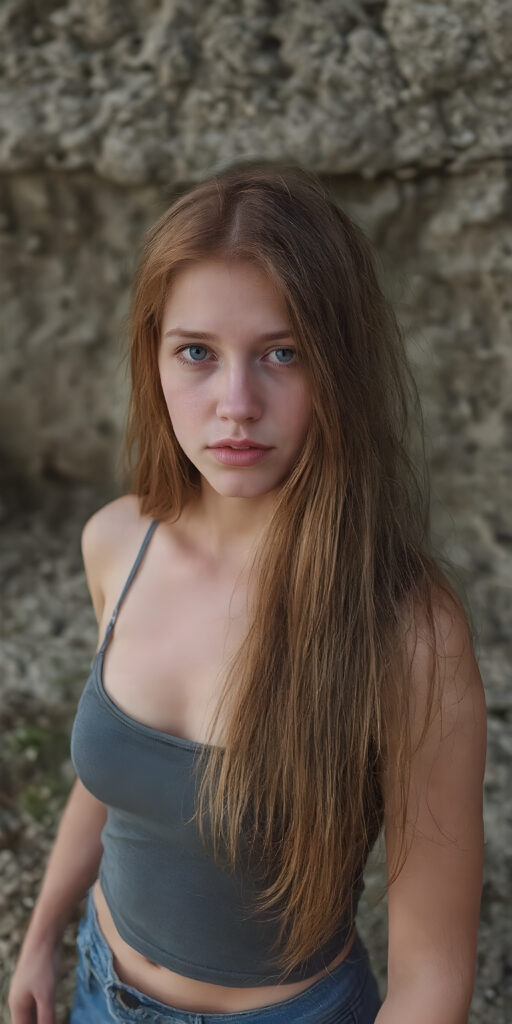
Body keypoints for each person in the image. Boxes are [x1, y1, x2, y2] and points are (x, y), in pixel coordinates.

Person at [8, 160, 487, 1024]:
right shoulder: (120, 542)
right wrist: (43, 933)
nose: (236, 403)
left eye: (282, 353)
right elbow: (119, 771)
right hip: (96, 987)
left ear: (338, 367)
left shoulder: (409, 635)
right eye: (197, 352)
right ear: (152, 357)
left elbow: (433, 981)